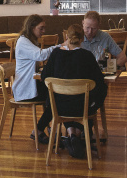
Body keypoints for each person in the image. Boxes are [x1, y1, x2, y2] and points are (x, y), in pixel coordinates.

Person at [38, 24, 107, 159]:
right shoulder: (87, 56)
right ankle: (80, 132)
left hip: (59, 107)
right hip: (82, 107)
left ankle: (71, 133)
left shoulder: (56, 54)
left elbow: (44, 77)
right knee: (99, 93)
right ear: (82, 39)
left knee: (63, 98)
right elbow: (99, 81)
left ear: (66, 37)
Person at [13, 14, 67, 144]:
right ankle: (41, 129)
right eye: (41, 28)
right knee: (58, 97)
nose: (44, 31)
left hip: (30, 83)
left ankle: (50, 128)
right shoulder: (23, 41)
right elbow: (41, 55)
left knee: (57, 96)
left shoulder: (30, 40)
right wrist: (60, 46)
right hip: (25, 87)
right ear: (32, 27)